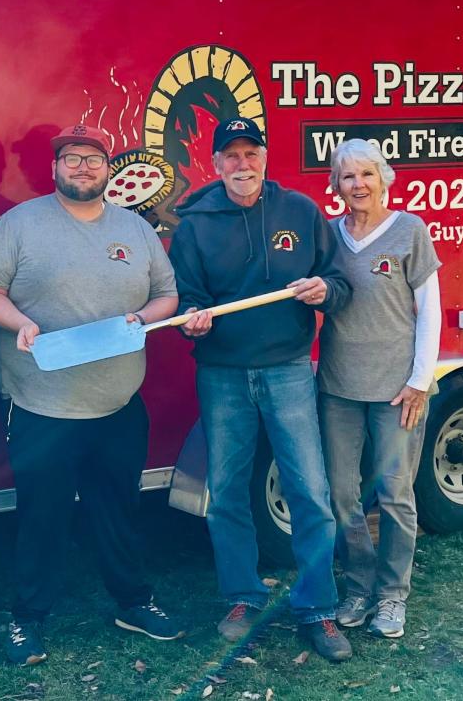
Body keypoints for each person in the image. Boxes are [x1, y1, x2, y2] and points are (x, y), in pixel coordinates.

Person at [0, 123, 182, 666]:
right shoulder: (19, 225)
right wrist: (20, 322)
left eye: (93, 159)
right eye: (72, 159)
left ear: (108, 169)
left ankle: (133, 603)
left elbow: (168, 294)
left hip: (118, 405)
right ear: (55, 168)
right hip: (43, 406)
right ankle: (28, 619)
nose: (83, 168)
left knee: (118, 511)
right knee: (42, 517)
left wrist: (142, 316)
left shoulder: (135, 230)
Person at [170, 118, 355, 663]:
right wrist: (189, 317)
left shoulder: (300, 212)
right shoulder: (195, 223)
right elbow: (185, 295)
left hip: (289, 370)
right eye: (231, 156)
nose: (242, 165)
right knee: (226, 490)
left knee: (309, 491)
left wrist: (327, 291)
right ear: (216, 163)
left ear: (266, 157)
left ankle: (318, 608)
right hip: (222, 374)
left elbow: (339, 281)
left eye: (251, 153)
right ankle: (243, 597)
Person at [317, 138, 442, 640]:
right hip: (338, 388)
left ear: (383, 178)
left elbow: (429, 310)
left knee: (393, 494)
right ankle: (358, 587)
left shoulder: (410, 231)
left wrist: (419, 381)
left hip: (396, 390)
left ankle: (392, 596)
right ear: (336, 185)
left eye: (367, 174)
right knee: (343, 495)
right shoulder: (328, 237)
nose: (358, 185)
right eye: (348, 177)